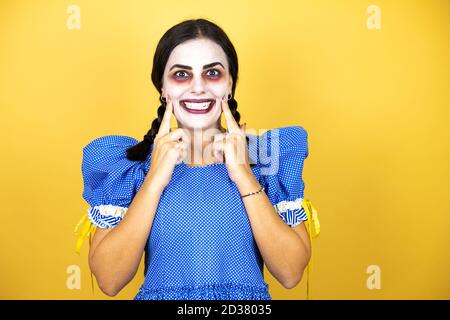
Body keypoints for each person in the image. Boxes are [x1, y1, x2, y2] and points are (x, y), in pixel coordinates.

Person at [76, 18, 316, 300]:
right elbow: (109, 279)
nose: (198, 88)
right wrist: (154, 180)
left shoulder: (267, 156)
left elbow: (290, 272)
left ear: (230, 84)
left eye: (212, 73)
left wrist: (243, 174)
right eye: (181, 75)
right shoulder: (131, 166)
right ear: (163, 89)